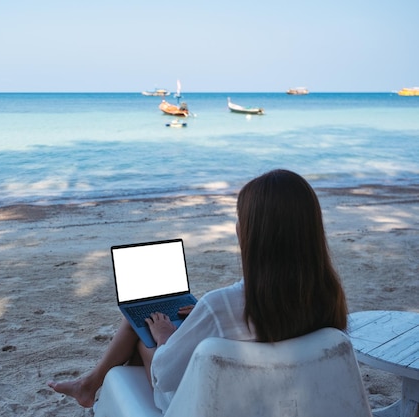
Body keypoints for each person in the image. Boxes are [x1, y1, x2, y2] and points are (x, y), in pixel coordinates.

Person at [48, 169, 348, 412]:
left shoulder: (222, 306)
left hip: (210, 405)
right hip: (285, 401)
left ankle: (93, 387)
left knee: (146, 333)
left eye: (240, 218)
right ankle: (90, 384)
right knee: (153, 320)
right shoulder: (328, 295)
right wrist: (202, 317)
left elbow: (165, 376)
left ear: (247, 234)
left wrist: (167, 337)